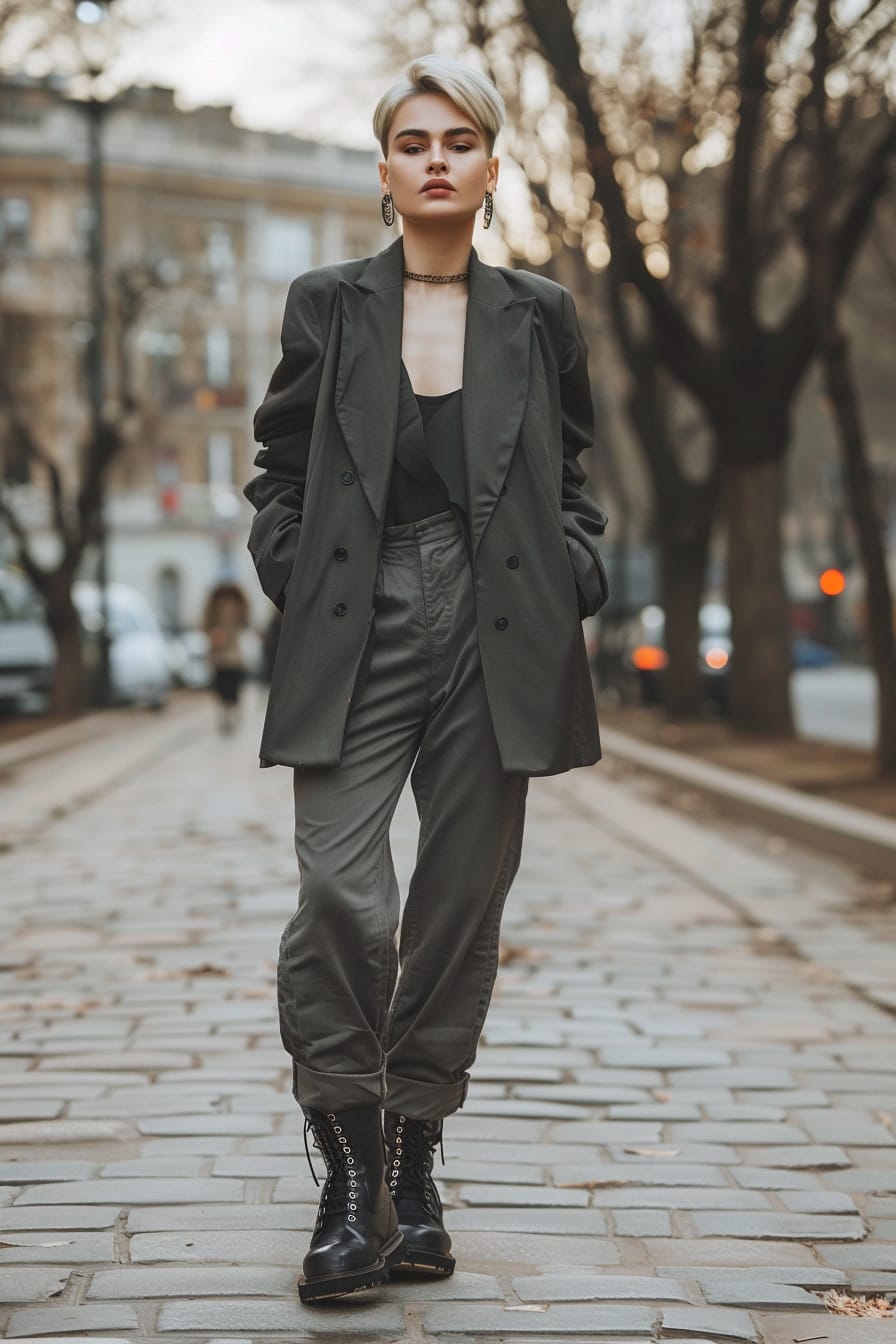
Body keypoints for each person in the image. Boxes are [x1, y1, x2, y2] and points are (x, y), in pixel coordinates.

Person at [244, 55, 609, 1305]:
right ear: (386, 171)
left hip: (501, 623)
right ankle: (346, 1165)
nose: (437, 157)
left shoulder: (538, 314)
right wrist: (292, 572)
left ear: (492, 167)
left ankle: (409, 1161)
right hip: (354, 615)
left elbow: (572, 482)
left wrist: (571, 576)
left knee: (457, 909)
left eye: (460, 139)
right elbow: (278, 468)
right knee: (342, 894)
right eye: (413, 141)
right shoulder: (328, 304)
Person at [202, 581, 249, 733]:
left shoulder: (238, 605)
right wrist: (214, 634)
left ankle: (231, 713)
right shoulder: (212, 606)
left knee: (232, 686)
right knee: (221, 687)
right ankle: (225, 715)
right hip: (218, 654)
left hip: (233, 655)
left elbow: (245, 623)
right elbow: (204, 624)